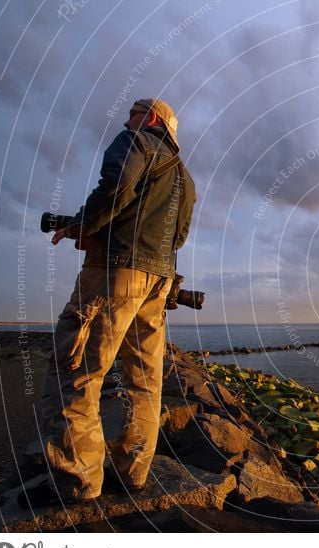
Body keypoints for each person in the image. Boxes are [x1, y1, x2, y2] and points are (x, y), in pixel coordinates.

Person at [21, 98, 196, 507]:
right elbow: (179, 236)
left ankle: (78, 478)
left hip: (116, 274)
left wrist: (80, 224)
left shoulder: (136, 141)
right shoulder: (186, 179)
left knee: (77, 370)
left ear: (152, 119)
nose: (126, 119)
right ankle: (133, 470)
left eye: (134, 113)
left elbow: (115, 188)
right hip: (158, 282)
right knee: (145, 381)